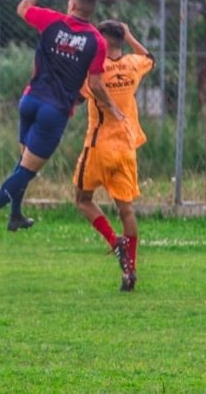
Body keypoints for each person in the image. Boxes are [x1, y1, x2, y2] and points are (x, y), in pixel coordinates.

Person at [0, 0, 125, 241]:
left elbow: (23, 8)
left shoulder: (52, 21)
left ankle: (15, 215)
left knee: (23, 161)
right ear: (90, 11)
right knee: (26, 172)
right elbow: (96, 84)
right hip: (54, 112)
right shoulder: (95, 41)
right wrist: (112, 107)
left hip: (29, 101)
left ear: (72, 4)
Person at [73, 21, 153, 291]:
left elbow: (78, 95)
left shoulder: (95, 72)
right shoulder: (133, 65)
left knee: (83, 199)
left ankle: (114, 241)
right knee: (126, 210)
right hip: (126, 148)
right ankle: (130, 270)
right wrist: (130, 35)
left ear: (104, 42)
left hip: (98, 147)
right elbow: (148, 58)